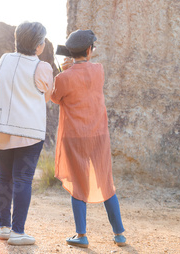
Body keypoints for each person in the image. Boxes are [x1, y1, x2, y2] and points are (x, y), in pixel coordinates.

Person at [51, 29, 126, 248]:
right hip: (99, 135)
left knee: (77, 183)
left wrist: (65, 69)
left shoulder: (63, 77)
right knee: (106, 182)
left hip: (75, 136)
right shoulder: (99, 70)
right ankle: (119, 233)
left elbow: (56, 97)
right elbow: (86, 75)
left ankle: (81, 235)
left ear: (70, 52)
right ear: (89, 50)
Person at [0, 21, 53, 246]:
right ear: (38, 46)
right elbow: (46, 96)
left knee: (4, 176)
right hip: (28, 131)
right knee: (23, 178)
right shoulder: (42, 67)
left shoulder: (4, 59)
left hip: (0, 126)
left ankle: (4, 228)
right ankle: (18, 231)